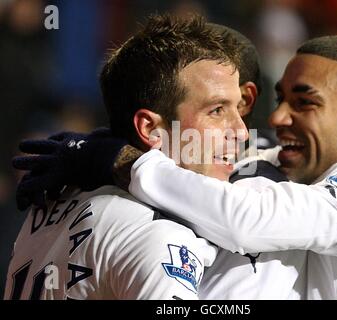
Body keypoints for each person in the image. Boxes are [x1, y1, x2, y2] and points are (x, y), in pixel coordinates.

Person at [20, 35, 337, 299]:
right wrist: (107, 142)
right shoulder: (293, 171)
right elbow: (246, 159)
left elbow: (247, 218)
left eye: (305, 103)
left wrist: (124, 158)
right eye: (280, 99)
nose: (275, 119)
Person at [4, 13, 249, 300]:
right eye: (217, 111)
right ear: (151, 128)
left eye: (239, 109)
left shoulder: (57, 200)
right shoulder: (160, 234)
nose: (242, 132)